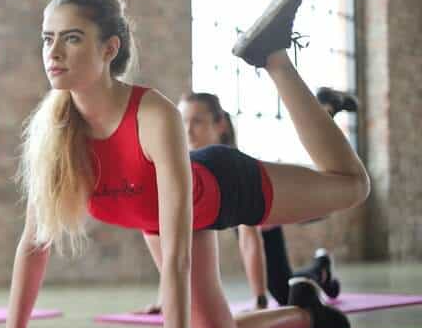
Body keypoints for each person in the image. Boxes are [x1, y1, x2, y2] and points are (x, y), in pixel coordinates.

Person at [0, 0, 369, 328]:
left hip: (224, 188)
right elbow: (34, 243)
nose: (54, 51)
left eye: (72, 38)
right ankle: (306, 312)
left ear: (108, 48)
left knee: (352, 186)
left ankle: (274, 58)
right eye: (48, 38)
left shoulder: (153, 114)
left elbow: (177, 254)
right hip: (160, 220)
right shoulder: (54, 131)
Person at [136, 87, 357, 313]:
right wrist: (165, 299)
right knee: (284, 287)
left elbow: (250, 240)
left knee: (282, 292)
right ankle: (321, 268)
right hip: (266, 212)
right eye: (184, 122)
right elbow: (172, 242)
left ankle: (324, 111)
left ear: (220, 124)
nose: (188, 131)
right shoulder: (189, 166)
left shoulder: (228, 168)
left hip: (282, 206)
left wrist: (260, 301)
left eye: (197, 122)